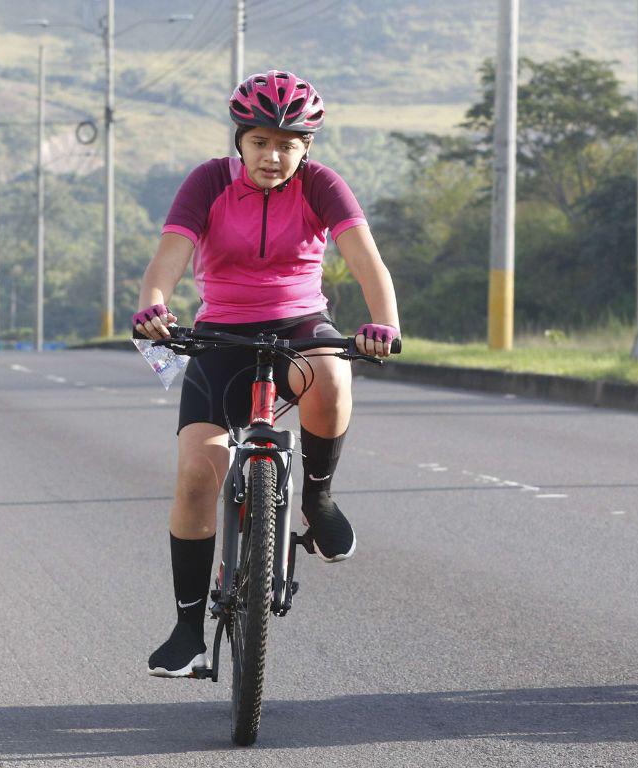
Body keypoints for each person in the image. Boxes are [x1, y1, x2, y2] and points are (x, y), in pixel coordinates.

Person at [134, 70, 401, 678]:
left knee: (332, 376)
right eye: (260, 142)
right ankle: (187, 629)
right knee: (198, 471)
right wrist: (154, 304)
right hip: (220, 332)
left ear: (307, 149)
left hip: (300, 324)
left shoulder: (322, 186)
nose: (272, 156)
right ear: (240, 141)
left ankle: (318, 499)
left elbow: (366, 260)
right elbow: (168, 258)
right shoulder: (207, 183)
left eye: (288, 144)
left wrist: (383, 322)